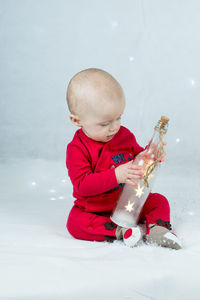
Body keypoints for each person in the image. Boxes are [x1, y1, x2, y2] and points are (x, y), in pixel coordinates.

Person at [65, 68, 181, 250]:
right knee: (75, 222)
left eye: (118, 118)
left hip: (129, 203)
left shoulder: (124, 135)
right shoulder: (77, 149)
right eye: (105, 123)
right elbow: (82, 185)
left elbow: (139, 158)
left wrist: (152, 155)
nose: (114, 127)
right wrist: (115, 176)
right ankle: (119, 231)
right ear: (77, 120)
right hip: (94, 208)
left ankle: (157, 229)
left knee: (159, 201)